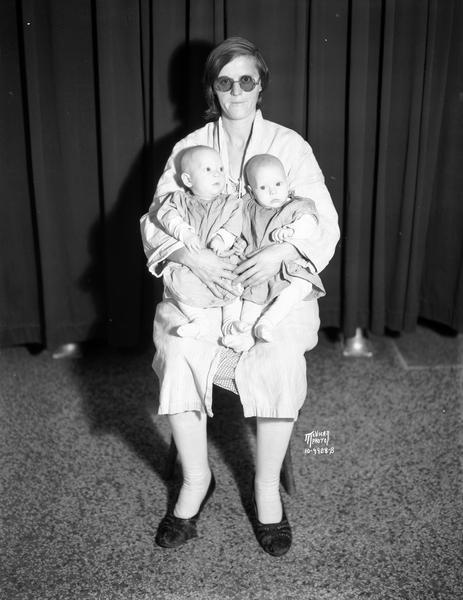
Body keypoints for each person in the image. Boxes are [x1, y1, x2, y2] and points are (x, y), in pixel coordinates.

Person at [140, 37, 340, 557]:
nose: (236, 91)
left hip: (268, 293)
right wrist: (194, 258)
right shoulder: (190, 147)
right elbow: (158, 216)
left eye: (246, 80)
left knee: (276, 357)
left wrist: (279, 253)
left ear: (261, 85)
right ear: (212, 88)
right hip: (204, 295)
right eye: (224, 81)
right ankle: (195, 480)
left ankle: (266, 487)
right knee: (180, 348)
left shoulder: (291, 146)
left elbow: (323, 218)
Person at [221, 153, 326, 352]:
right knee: (245, 296)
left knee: (301, 284)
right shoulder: (247, 207)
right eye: (263, 188)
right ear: (251, 191)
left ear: (287, 181)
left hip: (285, 265)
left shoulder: (296, 205)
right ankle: (243, 332)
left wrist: (292, 230)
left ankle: (268, 321)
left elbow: (310, 222)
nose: (273, 192)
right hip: (255, 265)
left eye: (278, 184)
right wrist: (238, 243)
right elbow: (236, 228)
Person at [154, 145, 243, 339]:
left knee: (233, 284)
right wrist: (185, 233)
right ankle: (197, 320)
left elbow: (236, 222)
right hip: (190, 263)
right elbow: (167, 216)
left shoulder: (230, 202)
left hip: (222, 258)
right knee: (179, 283)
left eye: (220, 169)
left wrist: (223, 237)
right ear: (188, 179)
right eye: (208, 170)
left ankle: (231, 323)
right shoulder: (178, 200)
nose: (217, 175)